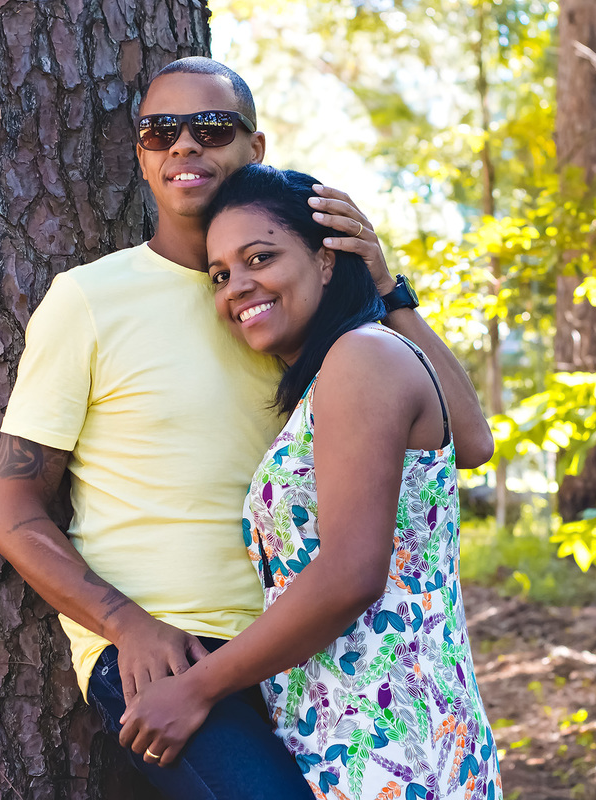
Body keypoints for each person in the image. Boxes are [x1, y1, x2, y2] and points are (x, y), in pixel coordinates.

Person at [0, 57, 493, 799]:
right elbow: (12, 510)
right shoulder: (89, 300)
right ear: (142, 158)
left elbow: (466, 441)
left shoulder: (297, 326)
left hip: (310, 663)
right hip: (170, 655)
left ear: (255, 149)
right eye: (161, 132)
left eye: (210, 127)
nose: (184, 146)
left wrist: (385, 285)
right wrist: (127, 625)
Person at [116, 164, 503, 800]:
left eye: (260, 257)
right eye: (220, 275)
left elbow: (351, 572)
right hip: (350, 738)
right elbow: (475, 441)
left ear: (327, 262)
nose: (238, 286)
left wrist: (195, 687)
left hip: (391, 749)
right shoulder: (345, 369)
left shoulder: (362, 357)